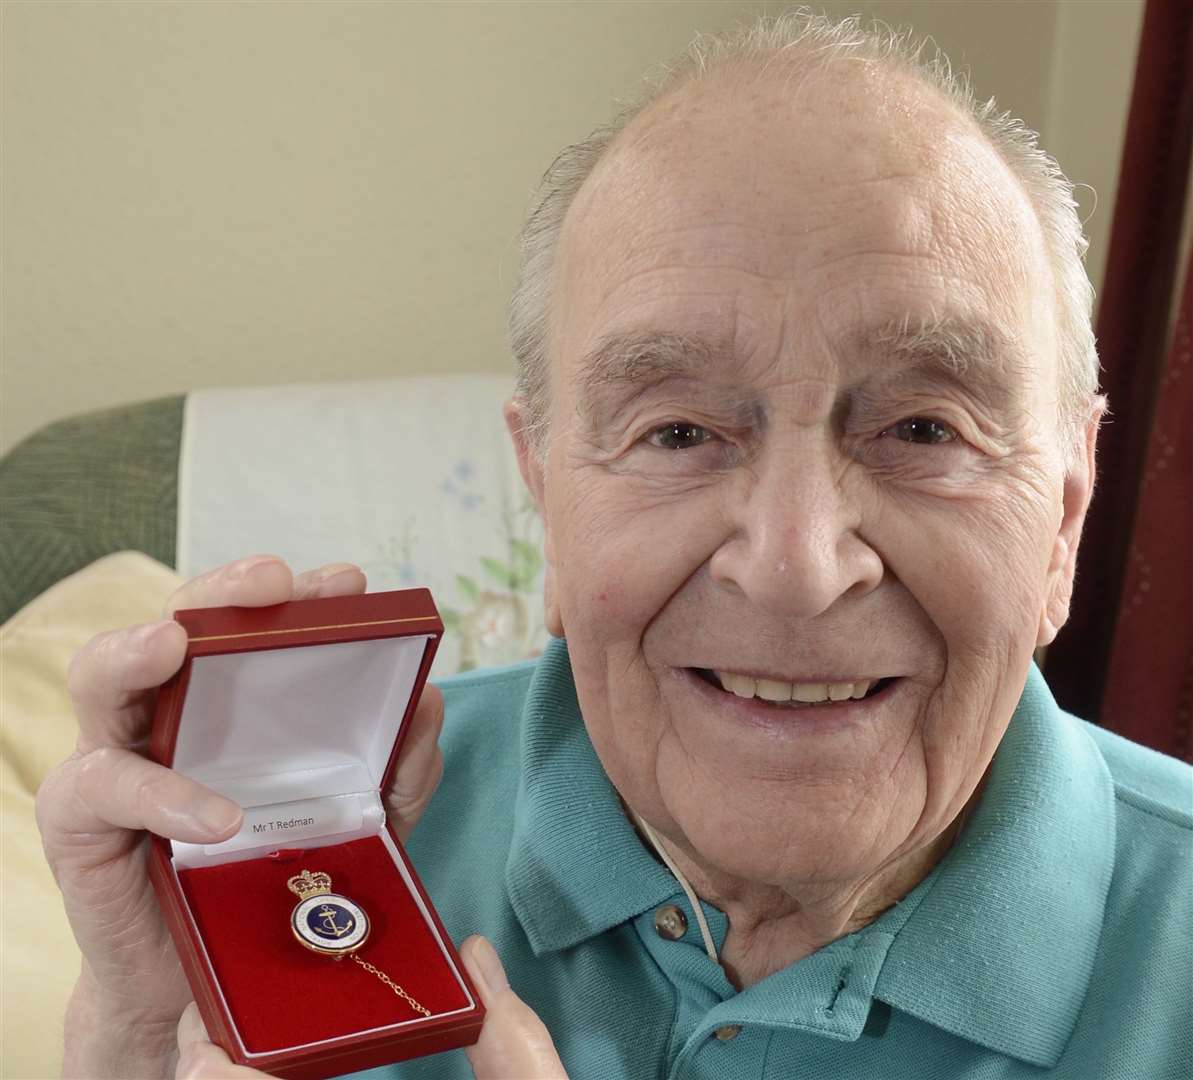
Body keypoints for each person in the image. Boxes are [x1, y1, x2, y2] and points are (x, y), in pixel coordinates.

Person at [36, 11, 1192, 1080]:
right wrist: (135, 1040)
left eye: (922, 429)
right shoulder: (312, 840)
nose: (794, 566)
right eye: (677, 430)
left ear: (1063, 519)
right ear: (544, 488)